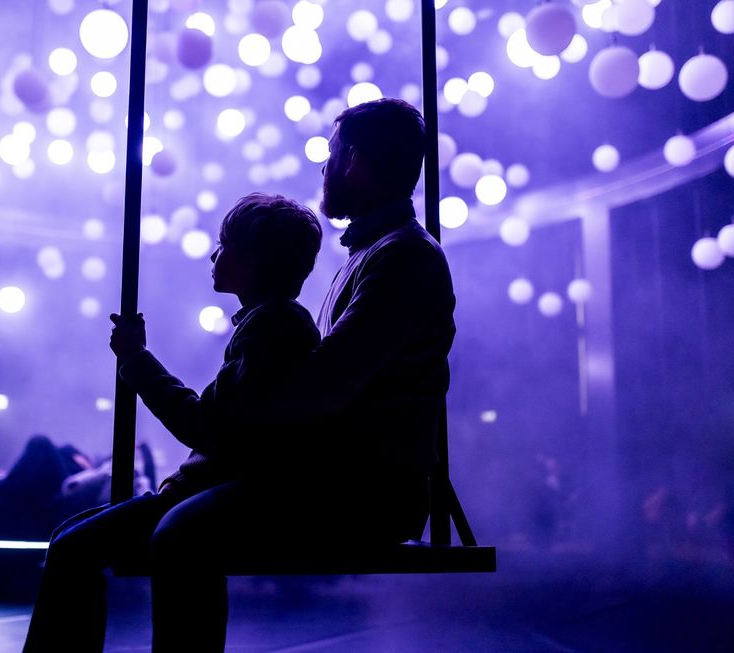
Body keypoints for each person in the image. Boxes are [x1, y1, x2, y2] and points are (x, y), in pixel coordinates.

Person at [24, 98, 455, 652]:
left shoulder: (403, 259)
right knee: (124, 534)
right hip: (335, 476)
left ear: (354, 162)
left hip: (357, 488)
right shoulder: (375, 255)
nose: (323, 169)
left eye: (330, 154)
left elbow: (323, 387)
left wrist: (223, 419)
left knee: (181, 534)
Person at [23, 192, 325, 652]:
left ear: (254, 260)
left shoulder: (273, 327)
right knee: (69, 540)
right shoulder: (271, 323)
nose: (213, 253)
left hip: (216, 492)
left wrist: (137, 361)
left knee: (72, 548)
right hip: (208, 488)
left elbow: (205, 427)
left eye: (225, 244)